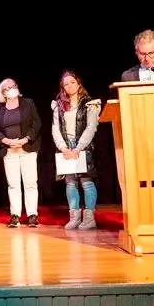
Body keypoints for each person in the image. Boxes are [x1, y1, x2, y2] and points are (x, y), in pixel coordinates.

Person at [51, 71, 101, 230]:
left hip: (83, 146)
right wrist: (64, 148)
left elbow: (91, 128)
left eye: (72, 82)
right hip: (66, 147)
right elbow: (55, 129)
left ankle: (89, 218)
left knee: (86, 182)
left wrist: (78, 148)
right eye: (66, 84)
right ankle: (74, 216)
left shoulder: (89, 103)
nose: (69, 86)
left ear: (78, 83)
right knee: (70, 183)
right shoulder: (58, 106)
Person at [0, 78, 42, 228]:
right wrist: (5, 141)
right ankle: (15, 215)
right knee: (13, 184)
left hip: (27, 148)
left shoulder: (28, 103)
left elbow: (36, 123)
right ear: (2, 93)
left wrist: (25, 139)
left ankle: (32, 215)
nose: (10, 89)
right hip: (9, 151)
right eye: (7, 88)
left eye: (12, 86)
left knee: (31, 183)